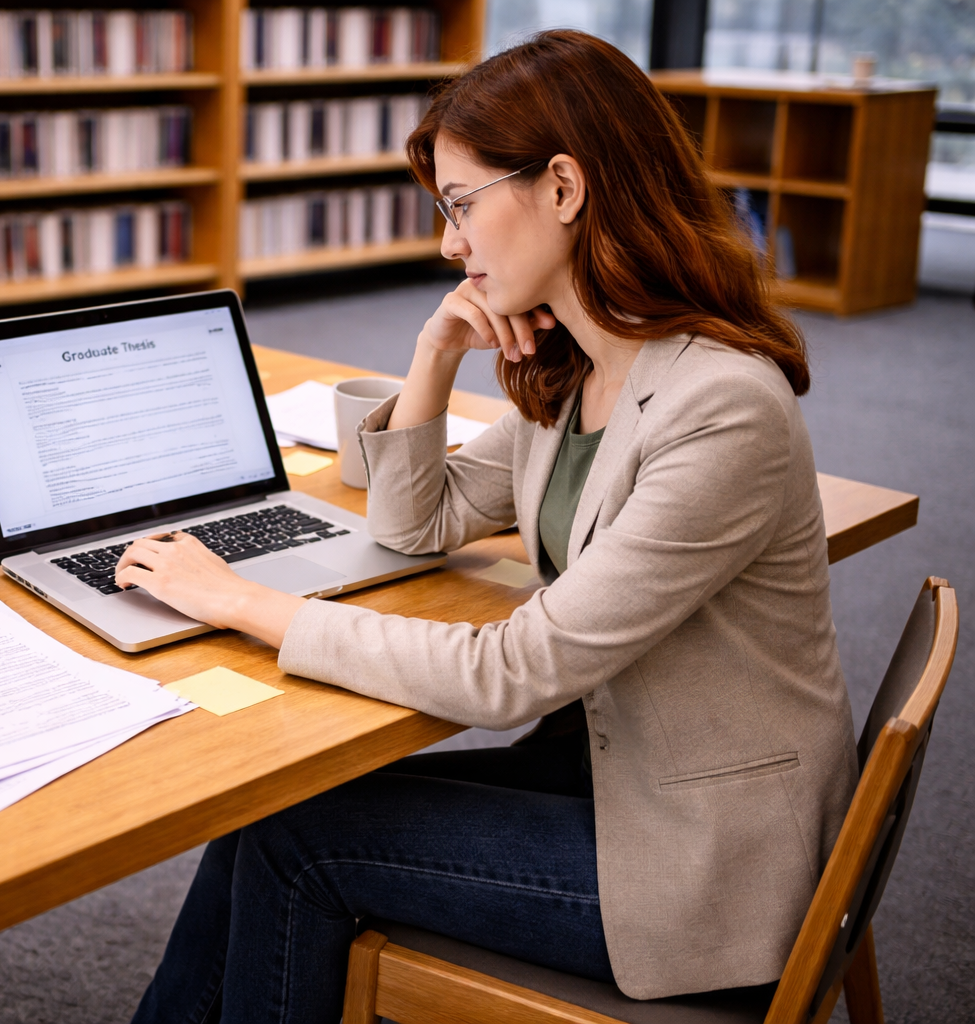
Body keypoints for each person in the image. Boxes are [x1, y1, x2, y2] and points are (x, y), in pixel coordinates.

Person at [115, 28, 860, 1024]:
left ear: (563, 186)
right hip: (612, 775)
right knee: (266, 821)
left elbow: (510, 674)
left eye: (462, 206)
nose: (447, 244)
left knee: (301, 848)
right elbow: (417, 523)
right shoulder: (592, 367)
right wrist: (433, 355)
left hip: (705, 863)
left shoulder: (718, 406)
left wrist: (244, 602)